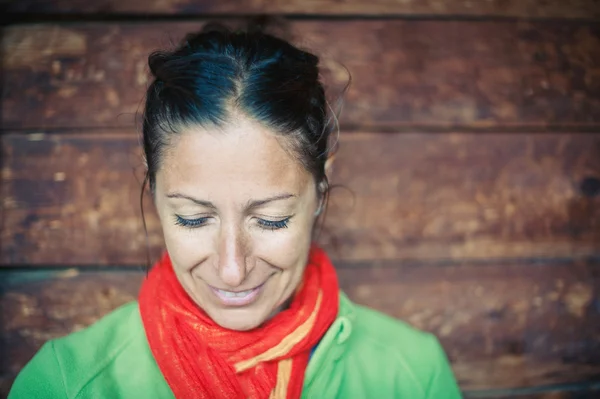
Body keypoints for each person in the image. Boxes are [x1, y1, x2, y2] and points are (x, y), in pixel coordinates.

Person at [9, 22, 463, 399]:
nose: (232, 270)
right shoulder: (66, 384)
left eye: (270, 219)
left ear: (321, 189)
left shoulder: (411, 375)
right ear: (153, 188)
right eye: (192, 218)